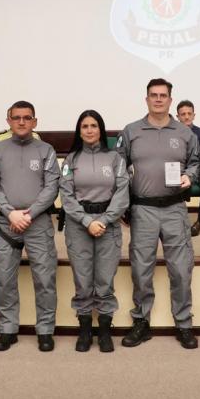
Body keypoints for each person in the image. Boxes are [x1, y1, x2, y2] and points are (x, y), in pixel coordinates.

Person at [117, 79, 200, 349]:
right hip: (143, 209)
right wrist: (123, 205)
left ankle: (184, 323)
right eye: (154, 95)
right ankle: (141, 321)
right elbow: (119, 169)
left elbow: (198, 163)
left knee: (181, 269)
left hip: (175, 208)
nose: (158, 99)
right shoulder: (131, 131)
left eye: (163, 95)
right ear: (146, 99)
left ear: (170, 100)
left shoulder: (185, 132)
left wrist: (190, 175)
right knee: (141, 270)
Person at [0, 101, 60, 352]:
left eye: (27, 118)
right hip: (7, 223)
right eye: (16, 118)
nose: (22, 122)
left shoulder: (46, 150)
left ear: (35, 121)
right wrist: (10, 213)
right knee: (5, 279)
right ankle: (8, 329)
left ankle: (45, 330)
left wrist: (31, 213)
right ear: (9, 121)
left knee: (45, 278)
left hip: (38, 223)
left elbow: (52, 186)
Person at [59, 110, 129, 353]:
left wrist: (106, 220)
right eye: (85, 126)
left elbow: (122, 194)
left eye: (94, 126)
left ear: (101, 129)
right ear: (79, 131)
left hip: (108, 226)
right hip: (79, 226)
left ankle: (105, 331)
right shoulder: (71, 161)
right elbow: (66, 197)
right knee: (82, 279)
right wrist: (87, 221)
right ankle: (85, 329)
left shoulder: (115, 159)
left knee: (105, 279)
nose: (89, 130)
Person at [177, 100, 200, 237]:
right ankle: (178, 222)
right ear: (177, 116)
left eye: (189, 113)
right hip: (178, 171)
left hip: (198, 171)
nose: (186, 117)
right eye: (183, 114)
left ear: (194, 115)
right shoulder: (172, 133)